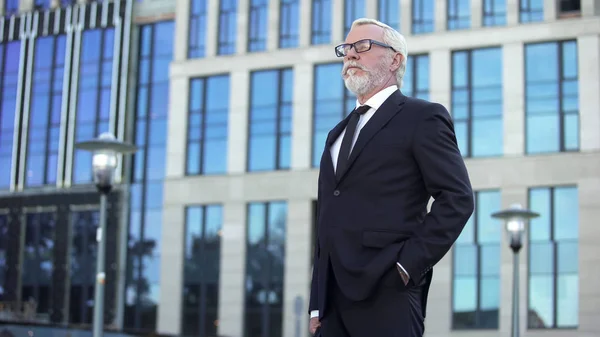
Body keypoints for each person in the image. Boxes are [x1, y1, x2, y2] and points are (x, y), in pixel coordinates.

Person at [308, 18, 474, 337]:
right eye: (346, 49)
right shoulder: (336, 134)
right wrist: (317, 302)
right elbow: (327, 221)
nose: (350, 55)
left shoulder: (423, 117)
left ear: (395, 59)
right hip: (332, 306)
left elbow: (457, 199)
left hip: (388, 293)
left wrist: (406, 267)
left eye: (362, 47)